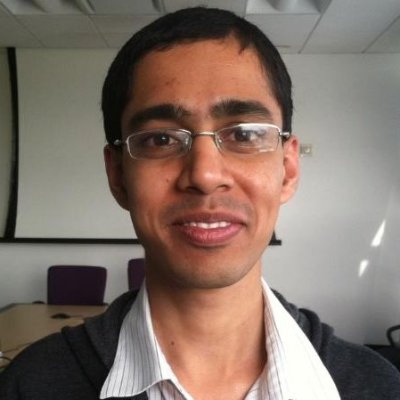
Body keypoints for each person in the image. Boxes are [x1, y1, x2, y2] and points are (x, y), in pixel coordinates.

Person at [1, 7, 399, 400]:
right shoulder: (29, 386)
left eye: (244, 134)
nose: (205, 175)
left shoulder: (378, 386)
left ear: (288, 169)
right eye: (161, 139)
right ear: (118, 175)